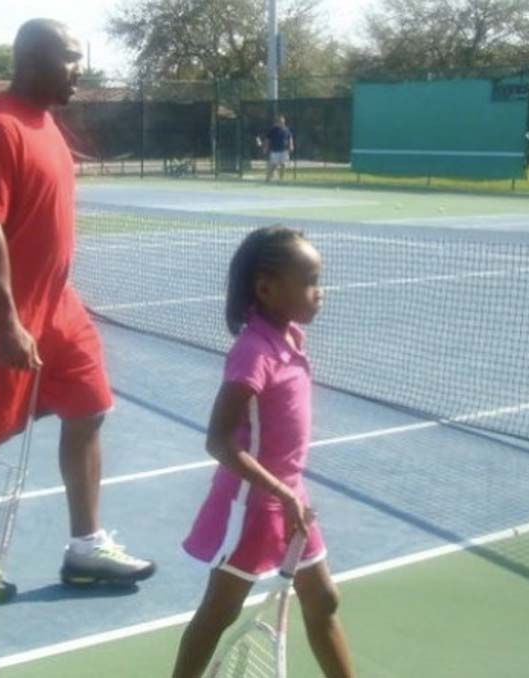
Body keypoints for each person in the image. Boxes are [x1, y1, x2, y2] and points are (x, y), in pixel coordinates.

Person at [0, 18, 156, 589]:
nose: (78, 70)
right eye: (68, 58)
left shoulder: (48, 125)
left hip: (60, 308)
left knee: (89, 407)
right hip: (3, 316)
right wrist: (8, 322)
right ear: (30, 59)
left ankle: (85, 546)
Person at [172, 227, 354, 677]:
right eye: (310, 281)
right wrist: (280, 492)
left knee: (323, 599)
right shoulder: (253, 353)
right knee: (219, 612)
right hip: (252, 504)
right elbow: (218, 441)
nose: (319, 292)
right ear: (267, 289)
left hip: (290, 496)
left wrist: (290, 494)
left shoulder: (290, 339)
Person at [264, 114, 294, 182]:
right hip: (275, 151)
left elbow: (290, 137)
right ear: (277, 122)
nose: (282, 123)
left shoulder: (286, 129)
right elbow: (267, 139)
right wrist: (266, 147)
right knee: (273, 165)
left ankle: (281, 179)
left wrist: (291, 145)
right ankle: (268, 178)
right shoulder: (273, 129)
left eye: (283, 122)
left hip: (284, 150)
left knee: (284, 164)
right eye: (280, 122)